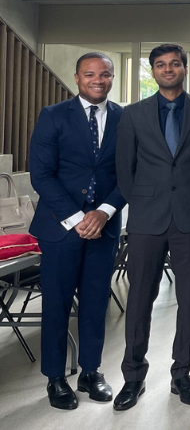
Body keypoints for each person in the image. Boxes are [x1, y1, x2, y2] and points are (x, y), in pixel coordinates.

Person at [114, 44, 190, 410]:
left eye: (174, 63)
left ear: (185, 68)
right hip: (147, 218)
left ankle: (181, 374)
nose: (168, 69)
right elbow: (124, 169)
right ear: (153, 71)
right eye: (160, 65)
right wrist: (143, 203)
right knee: (140, 297)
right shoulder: (133, 115)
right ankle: (132, 377)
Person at [29, 53, 126, 410]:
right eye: (90, 74)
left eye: (105, 74)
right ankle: (55, 378)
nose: (97, 80)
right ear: (77, 77)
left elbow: (128, 173)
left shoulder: (123, 118)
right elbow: (41, 174)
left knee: (96, 303)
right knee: (55, 304)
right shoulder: (53, 116)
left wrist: (102, 212)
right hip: (60, 228)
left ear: (113, 78)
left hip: (104, 226)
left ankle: (90, 371)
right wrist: (77, 218)